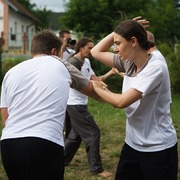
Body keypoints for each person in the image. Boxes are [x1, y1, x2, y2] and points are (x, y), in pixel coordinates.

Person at [0, 29, 102, 180]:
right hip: (44, 142)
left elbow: (5, 115)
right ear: (54, 51)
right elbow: (91, 90)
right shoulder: (59, 63)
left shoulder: (11, 72)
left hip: (9, 144)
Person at [91, 20, 178, 180]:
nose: (115, 48)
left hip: (158, 149)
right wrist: (119, 31)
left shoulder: (155, 67)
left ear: (133, 41)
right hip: (132, 145)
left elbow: (121, 102)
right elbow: (96, 52)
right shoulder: (129, 62)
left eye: (118, 43)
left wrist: (97, 88)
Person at [64, 37, 115, 177]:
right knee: (93, 133)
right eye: (89, 48)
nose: (92, 50)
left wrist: (110, 73)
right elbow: (80, 84)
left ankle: (60, 160)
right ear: (81, 48)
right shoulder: (73, 62)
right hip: (75, 105)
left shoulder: (86, 61)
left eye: (93, 48)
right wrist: (99, 89)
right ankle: (97, 169)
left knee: (75, 136)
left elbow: (95, 80)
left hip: (81, 104)